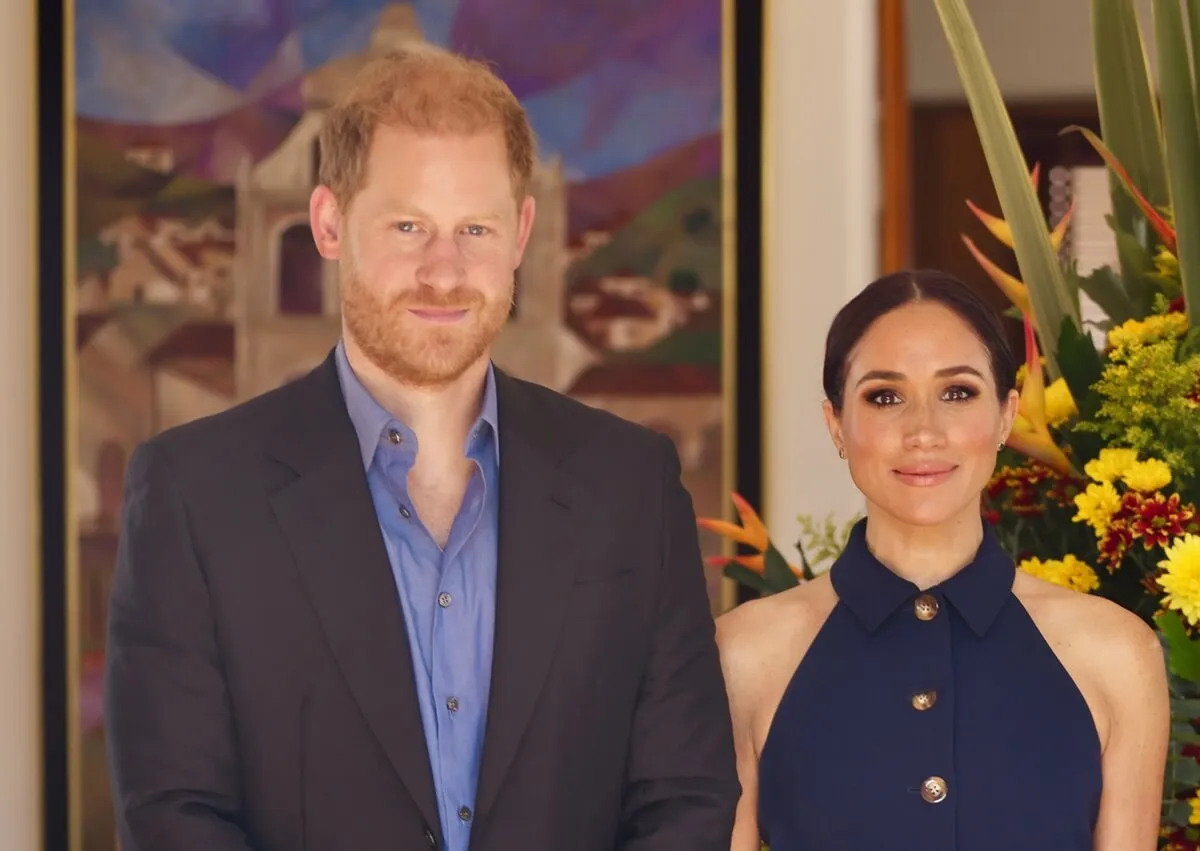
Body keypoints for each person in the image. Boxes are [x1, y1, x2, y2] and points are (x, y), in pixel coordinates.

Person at [104, 45, 739, 851]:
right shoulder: (196, 495)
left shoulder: (632, 487)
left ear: (522, 233)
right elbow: (173, 816)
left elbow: (685, 796)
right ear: (331, 224)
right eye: (408, 226)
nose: (444, 271)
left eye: (475, 227)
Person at [716, 270, 1170, 851]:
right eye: (885, 396)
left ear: (1007, 415)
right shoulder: (743, 654)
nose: (923, 431)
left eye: (957, 393)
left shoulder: (1118, 653)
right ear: (836, 424)